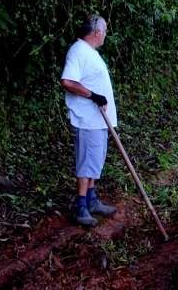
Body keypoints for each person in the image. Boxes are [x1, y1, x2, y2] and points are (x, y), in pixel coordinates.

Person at [60, 15, 117, 227]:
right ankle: (81, 207)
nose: (105, 35)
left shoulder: (90, 52)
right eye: (104, 31)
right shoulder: (78, 51)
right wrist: (92, 95)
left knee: (95, 161)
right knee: (86, 163)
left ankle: (92, 201)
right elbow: (67, 81)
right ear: (96, 32)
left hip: (99, 120)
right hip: (87, 120)